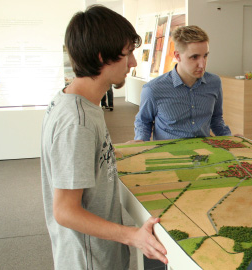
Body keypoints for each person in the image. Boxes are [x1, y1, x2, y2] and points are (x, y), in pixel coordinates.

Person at [40, 5, 168, 269]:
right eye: (127, 54)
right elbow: (65, 211)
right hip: (89, 259)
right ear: (102, 57)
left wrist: (115, 151)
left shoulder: (79, 101)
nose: (132, 62)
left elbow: (81, 158)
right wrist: (133, 236)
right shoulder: (78, 122)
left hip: (97, 251)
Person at [134, 25, 231, 141]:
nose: (202, 64)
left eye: (205, 56)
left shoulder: (214, 82)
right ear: (177, 56)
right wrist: (140, 144)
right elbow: (143, 122)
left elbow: (216, 119)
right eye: (194, 57)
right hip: (169, 155)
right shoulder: (153, 89)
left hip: (203, 153)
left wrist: (231, 140)